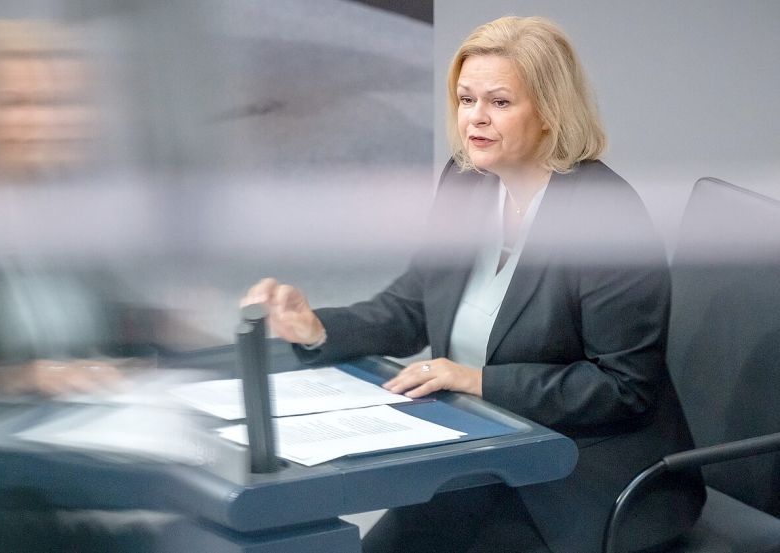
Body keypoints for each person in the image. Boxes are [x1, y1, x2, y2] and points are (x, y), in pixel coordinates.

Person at [242, 16, 705, 553]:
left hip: (585, 483)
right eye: (466, 100)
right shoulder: (466, 181)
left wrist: (475, 380)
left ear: (551, 112)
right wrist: (319, 325)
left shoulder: (607, 218)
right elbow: (416, 301)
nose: (475, 120)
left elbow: (622, 389)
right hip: (486, 455)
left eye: (500, 103)